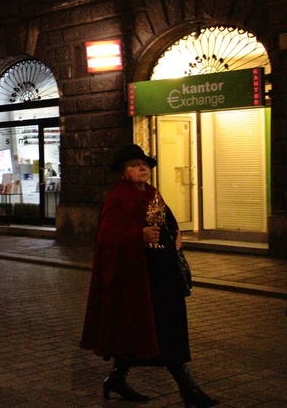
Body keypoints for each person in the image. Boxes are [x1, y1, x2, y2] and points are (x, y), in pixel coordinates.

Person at [80, 144, 219, 408]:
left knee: (143, 331)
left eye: (144, 164)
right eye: (134, 164)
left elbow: (166, 219)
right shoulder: (118, 198)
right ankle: (188, 389)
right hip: (137, 279)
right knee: (163, 331)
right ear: (122, 173)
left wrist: (176, 232)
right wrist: (138, 236)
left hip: (160, 275)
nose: (142, 167)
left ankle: (117, 379)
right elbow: (106, 239)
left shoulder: (151, 193)